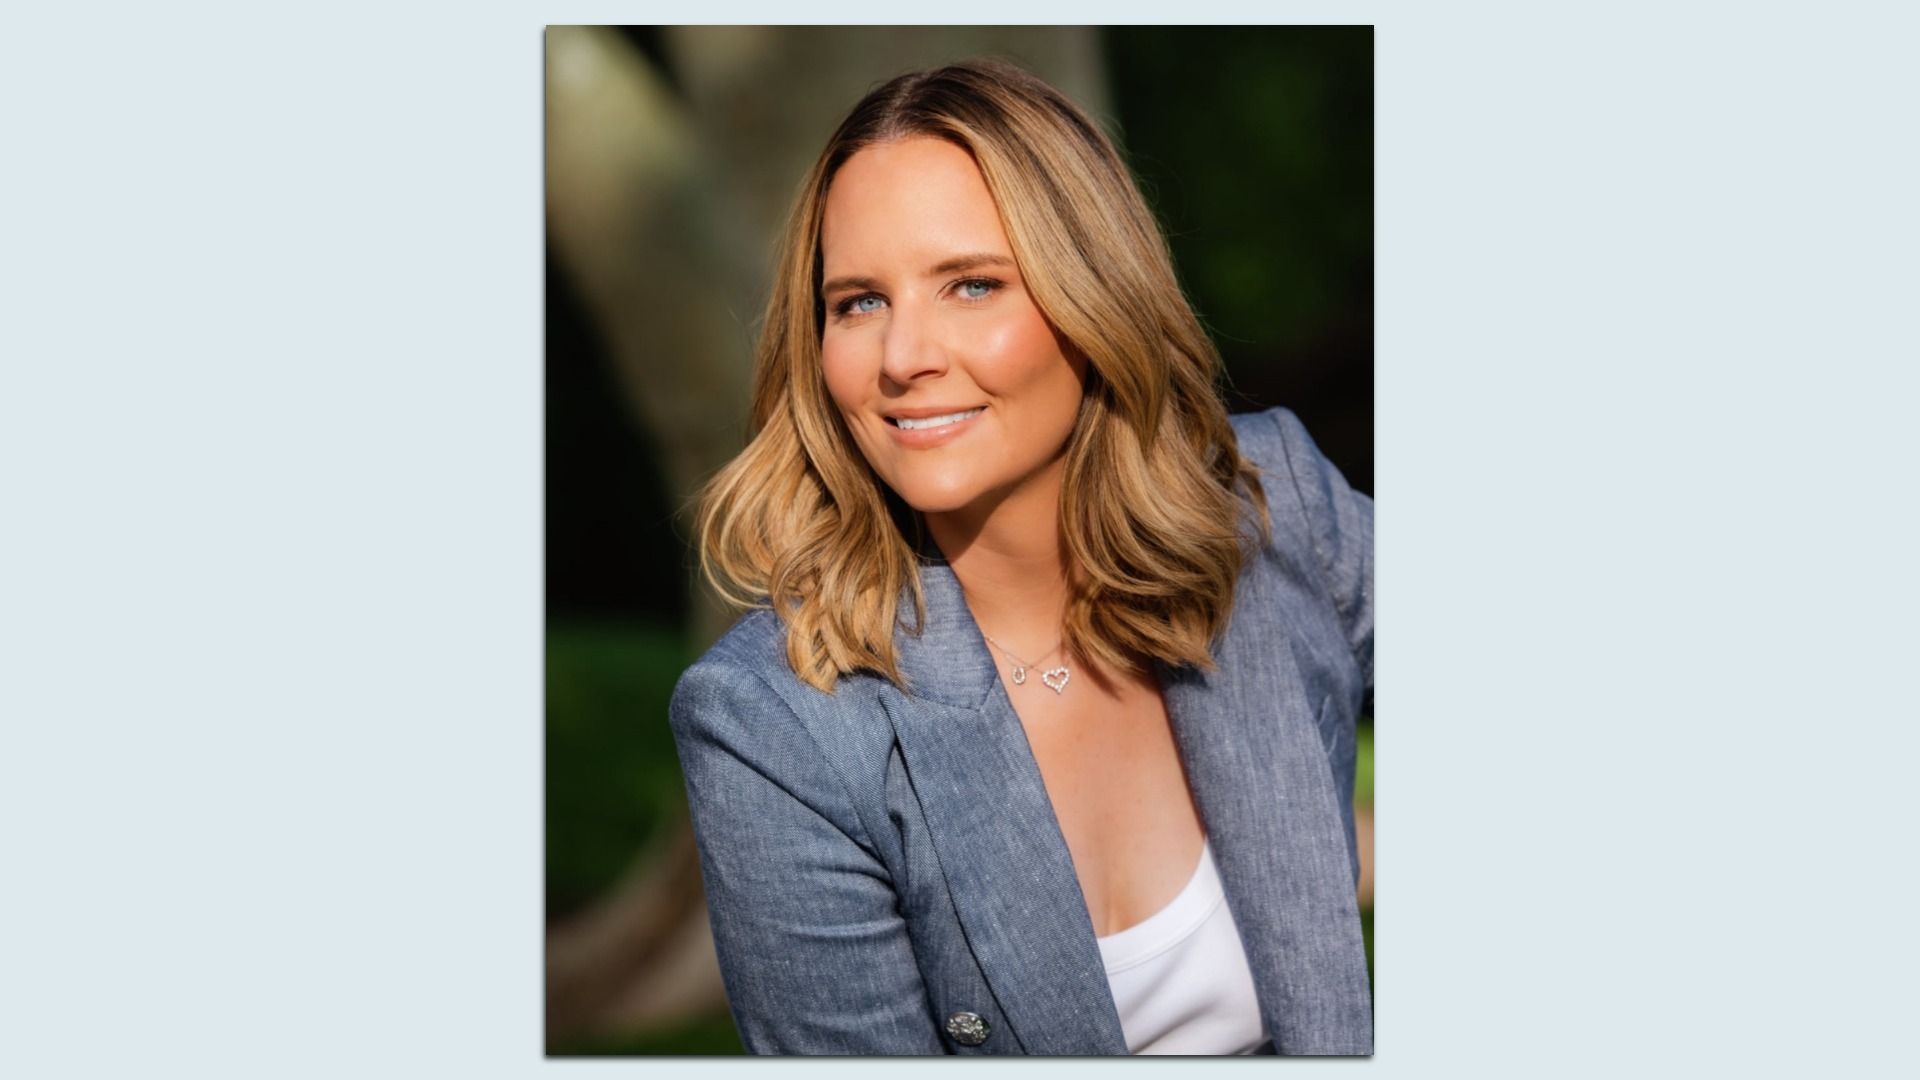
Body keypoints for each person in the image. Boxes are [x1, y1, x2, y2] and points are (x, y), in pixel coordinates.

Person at [669, 58, 1372, 1056]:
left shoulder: (1272, 507)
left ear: (1095, 299)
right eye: (859, 301)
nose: (904, 355)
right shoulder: (774, 723)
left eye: (971, 284)